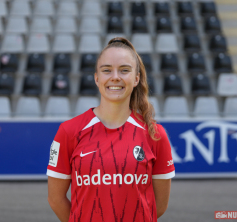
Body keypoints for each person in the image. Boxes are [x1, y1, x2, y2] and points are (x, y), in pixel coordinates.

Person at [47, 37, 175, 222]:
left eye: (124, 70)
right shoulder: (68, 131)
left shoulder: (155, 134)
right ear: (97, 78)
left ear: (136, 78)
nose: (115, 76)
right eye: (107, 70)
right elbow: (56, 200)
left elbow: (158, 206)